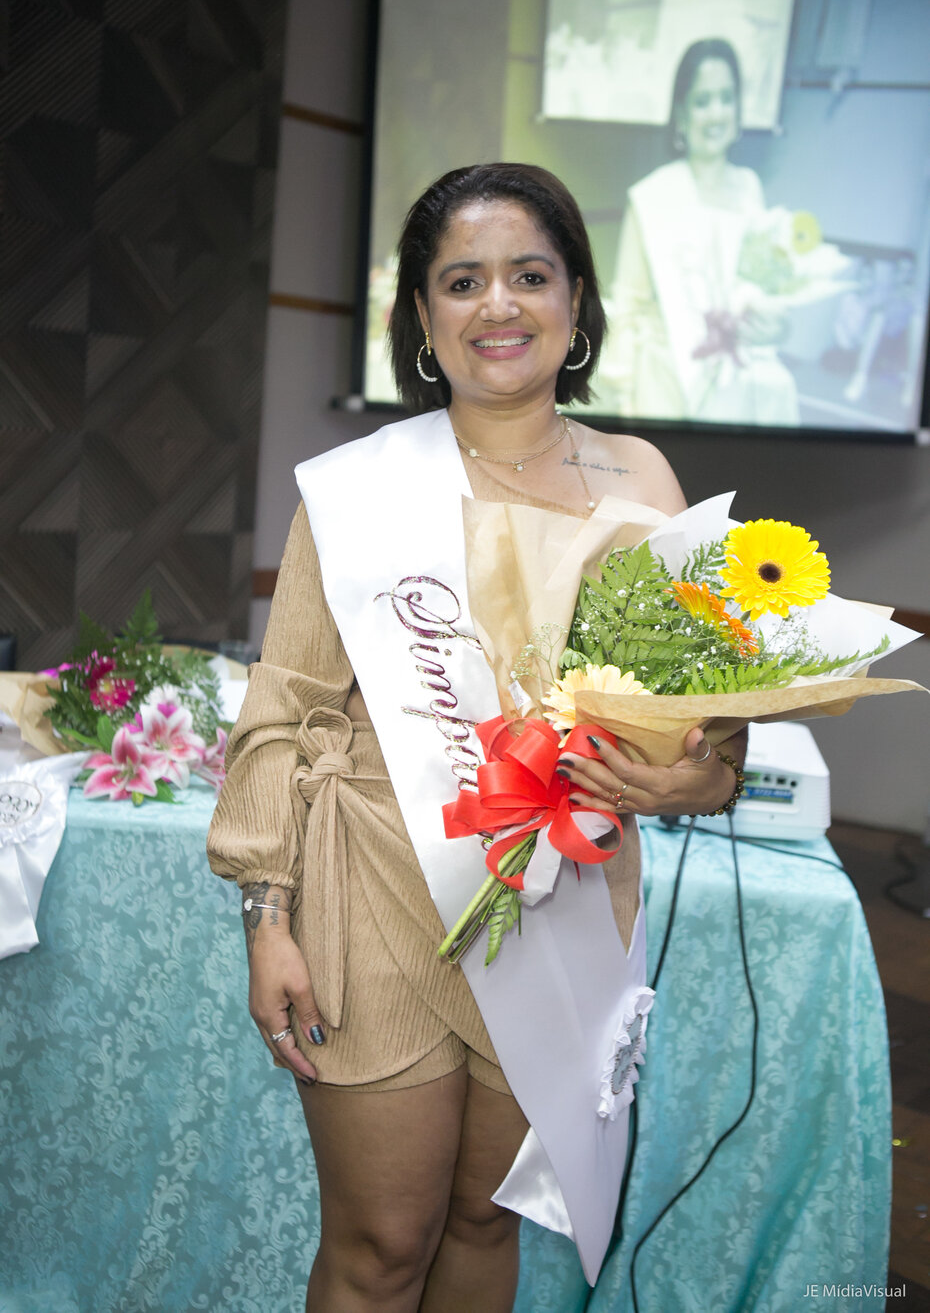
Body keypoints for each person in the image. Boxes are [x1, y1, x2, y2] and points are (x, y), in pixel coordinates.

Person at [207, 162, 747, 1313]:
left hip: (565, 902)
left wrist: (697, 780)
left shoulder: (643, 478)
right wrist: (268, 917)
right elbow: (282, 706)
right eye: (462, 281)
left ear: (577, 299)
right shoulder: (360, 490)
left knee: (483, 1221)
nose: (497, 304)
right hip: (377, 891)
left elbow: (711, 729)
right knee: (380, 1248)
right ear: (422, 315)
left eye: (529, 275)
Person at [597, 38, 799, 426]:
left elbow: (762, 290)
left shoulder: (749, 188)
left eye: (726, 98)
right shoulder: (651, 195)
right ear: (682, 114)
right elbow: (628, 304)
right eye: (703, 101)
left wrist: (774, 325)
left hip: (733, 378)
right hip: (664, 381)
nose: (716, 113)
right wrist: (624, 395)